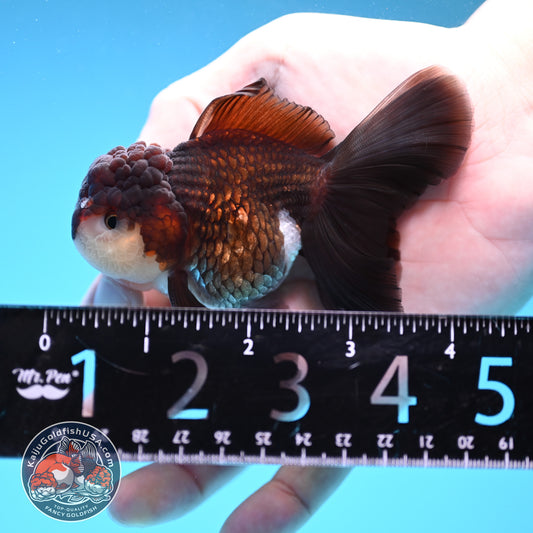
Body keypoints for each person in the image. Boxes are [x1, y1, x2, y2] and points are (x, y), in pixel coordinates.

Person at [82, 0, 533, 530]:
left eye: (112, 224)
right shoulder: (175, 272)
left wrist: (505, 76)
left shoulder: (185, 251)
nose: (96, 236)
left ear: (159, 221)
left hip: (287, 202)